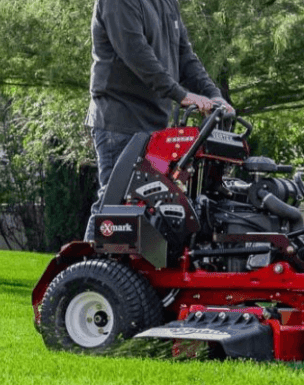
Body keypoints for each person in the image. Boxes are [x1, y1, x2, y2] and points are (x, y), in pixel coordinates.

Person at [83, 0, 233, 242]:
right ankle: (86, 274)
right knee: (114, 206)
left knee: (152, 209)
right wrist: (182, 95)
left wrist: (214, 95)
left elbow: (185, 57)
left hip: (156, 127)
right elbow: (136, 53)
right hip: (120, 120)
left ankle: (125, 277)